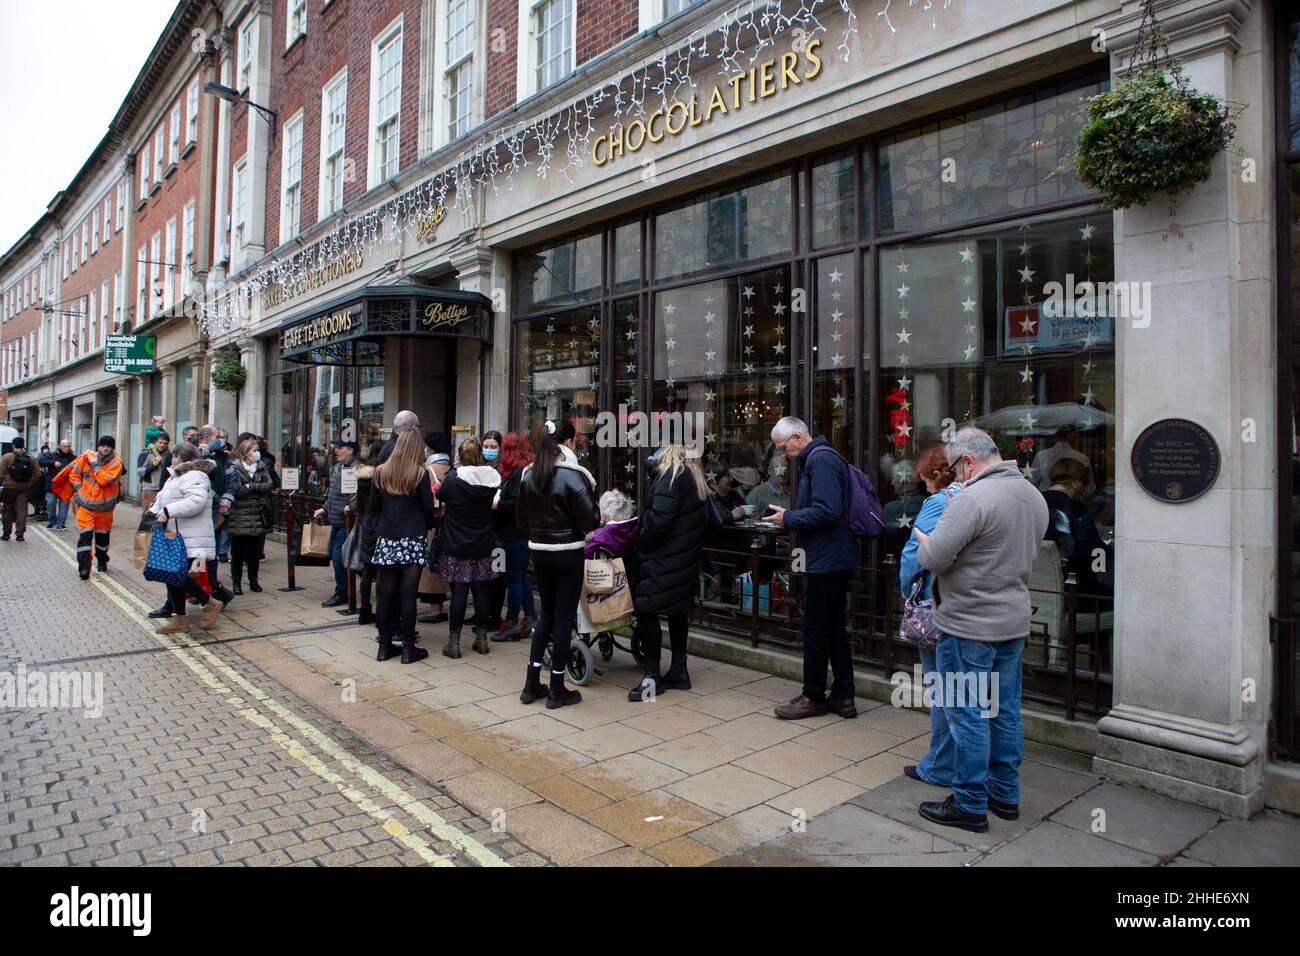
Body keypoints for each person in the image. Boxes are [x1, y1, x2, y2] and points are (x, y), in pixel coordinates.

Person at [912, 427, 1049, 833]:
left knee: (966, 712)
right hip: (1012, 621)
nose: (954, 476)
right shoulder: (1032, 495)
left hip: (969, 623)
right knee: (1004, 709)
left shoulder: (971, 499)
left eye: (956, 467)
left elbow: (934, 557)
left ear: (968, 461)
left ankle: (969, 803)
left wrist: (924, 541)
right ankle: (1005, 794)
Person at [765, 416, 859, 720]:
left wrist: (788, 519)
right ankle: (843, 697)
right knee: (832, 629)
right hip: (829, 557)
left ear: (796, 437)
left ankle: (813, 696)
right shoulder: (820, 459)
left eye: (783, 447)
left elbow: (827, 511)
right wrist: (791, 515)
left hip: (826, 559)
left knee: (816, 629)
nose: (783, 455)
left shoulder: (820, 461)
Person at [515, 419, 600, 709]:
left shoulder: (530, 474)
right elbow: (591, 520)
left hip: (539, 552)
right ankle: (556, 688)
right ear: (569, 442)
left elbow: (520, 519)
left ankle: (530, 684)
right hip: (568, 552)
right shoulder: (574, 476)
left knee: (546, 616)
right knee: (563, 618)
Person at [898, 444, 963, 788]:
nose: (922, 486)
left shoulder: (939, 502)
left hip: (934, 604)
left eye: (923, 479)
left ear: (935, 476)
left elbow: (915, 554)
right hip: (969, 606)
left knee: (941, 688)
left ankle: (940, 765)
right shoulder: (973, 496)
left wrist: (905, 589)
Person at [630, 443, 708, 701]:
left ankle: (652, 677)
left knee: (647, 609)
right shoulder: (693, 476)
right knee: (677, 613)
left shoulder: (670, 475)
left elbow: (659, 519)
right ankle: (679, 672)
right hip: (684, 559)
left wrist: (642, 539)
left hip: (662, 559)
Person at [368, 427, 435, 664]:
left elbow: (373, 507)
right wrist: (428, 524)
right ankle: (408, 648)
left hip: (387, 535)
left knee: (384, 593)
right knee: (408, 594)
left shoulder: (381, 472)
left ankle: (384, 646)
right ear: (416, 448)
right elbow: (428, 507)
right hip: (412, 534)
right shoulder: (420, 473)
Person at [434, 436, 502, 658]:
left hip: (456, 543)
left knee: (459, 592)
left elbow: (440, 494)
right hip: (482, 542)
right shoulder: (491, 479)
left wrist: (453, 470)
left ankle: (454, 643)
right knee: (481, 590)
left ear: (460, 458)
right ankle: (481, 640)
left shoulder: (454, 479)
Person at [147, 442, 223, 632]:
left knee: (177, 575)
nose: (170, 460)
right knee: (170, 575)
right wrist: (152, 512)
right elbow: (163, 500)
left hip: (191, 537)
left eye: (173, 456)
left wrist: (168, 510)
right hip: (175, 536)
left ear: (179, 457)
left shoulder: (195, 475)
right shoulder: (176, 477)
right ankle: (179, 619)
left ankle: (209, 603)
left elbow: (196, 501)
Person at [492, 430, 536, 642]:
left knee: (513, 579)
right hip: (518, 532)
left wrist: (498, 503)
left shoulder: (519, 472)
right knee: (520, 578)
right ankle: (529, 618)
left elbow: (516, 504)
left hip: (515, 532)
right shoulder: (521, 470)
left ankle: (511, 622)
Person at [66, 435, 125, 580]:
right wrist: (79, 488)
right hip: (85, 505)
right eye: (102, 445)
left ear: (112, 448)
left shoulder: (117, 463)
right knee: (85, 536)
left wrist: (94, 464)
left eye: (108, 446)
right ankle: (84, 567)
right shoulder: (86, 458)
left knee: (102, 538)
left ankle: (102, 560)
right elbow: (73, 473)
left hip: (104, 508)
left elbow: (104, 480)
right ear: (98, 446)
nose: (105, 448)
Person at [223, 436, 274, 595]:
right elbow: (236, 490)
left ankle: (254, 581)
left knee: (254, 552)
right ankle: (236, 583)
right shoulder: (234, 467)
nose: (258, 453)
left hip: (257, 513)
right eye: (255, 450)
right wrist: (253, 489)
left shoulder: (261, 466)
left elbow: (269, 484)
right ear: (246, 452)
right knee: (237, 552)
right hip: (239, 514)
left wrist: (250, 486)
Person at [313, 438, 358, 608]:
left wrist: (352, 507)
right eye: (336, 448)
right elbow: (333, 494)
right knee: (333, 553)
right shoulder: (338, 468)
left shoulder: (357, 469)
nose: (336, 451)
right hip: (336, 519)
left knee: (339, 557)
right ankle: (349, 584)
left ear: (350, 450)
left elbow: (362, 495)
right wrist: (324, 508)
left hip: (347, 520)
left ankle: (343, 592)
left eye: (340, 448)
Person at [417, 430, 452, 625]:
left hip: (433, 522)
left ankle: (436, 610)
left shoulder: (429, 470)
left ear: (430, 448)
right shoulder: (450, 467)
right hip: (450, 523)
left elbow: (426, 500)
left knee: (432, 566)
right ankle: (440, 608)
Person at [479, 430, 507, 632]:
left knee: (497, 576)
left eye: (493, 447)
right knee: (482, 576)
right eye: (486, 446)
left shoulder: (504, 472)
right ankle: (482, 613)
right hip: (482, 531)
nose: (489, 450)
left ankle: (494, 616)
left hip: (499, 533)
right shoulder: (478, 468)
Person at [352, 446, 381, 627]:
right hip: (379, 523)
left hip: (365, 523)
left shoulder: (362, 477)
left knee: (367, 569)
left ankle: (364, 610)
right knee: (382, 571)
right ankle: (382, 610)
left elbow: (358, 505)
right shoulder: (379, 477)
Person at [0, 437, 41, 542]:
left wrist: (4, 482)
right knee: (22, 510)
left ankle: (6, 533)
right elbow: (38, 473)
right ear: (23, 445)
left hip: (9, 487)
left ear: (13, 445)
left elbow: (0, 473)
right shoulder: (30, 458)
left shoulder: (7, 457)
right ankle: (20, 534)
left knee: (7, 510)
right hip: (24, 488)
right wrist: (31, 483)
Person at [41, 439, 75, 530]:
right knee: (50, 503)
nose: (67, 448)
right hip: (52, 485)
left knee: (64, 505)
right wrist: (53, 463)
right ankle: (52, 521)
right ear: (59, 446)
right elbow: (40, 461)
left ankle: (61, 523)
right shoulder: (52, 456)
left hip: (65, 486)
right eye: (64, 446)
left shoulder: (73, 458)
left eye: (68, 446)